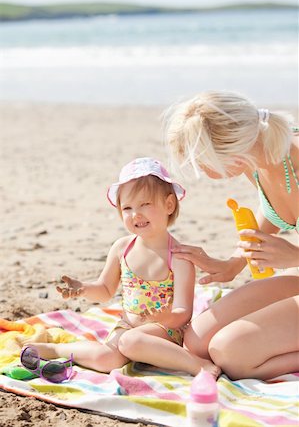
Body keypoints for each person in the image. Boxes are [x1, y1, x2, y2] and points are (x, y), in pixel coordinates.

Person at [29, 157, 220, 377]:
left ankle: (196, 364)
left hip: (164, 330)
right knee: (107, 359)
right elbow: (105, 290)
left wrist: (163, 317)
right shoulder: (122, 248)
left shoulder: (179, 257)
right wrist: (83, 288)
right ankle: (56, 349)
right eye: (127, 207)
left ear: (169, 204)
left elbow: (183, 313)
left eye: (145, 204)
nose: (135, 214)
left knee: (131, 342)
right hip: (127, 326)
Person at [164, 90, 299, 380]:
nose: (199, 170)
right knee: (197, 342)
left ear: (232, 153)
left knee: (231, 353)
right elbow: (278, 208)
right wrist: (234, 263)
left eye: (201, 162)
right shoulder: (256, 162)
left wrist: (294, 256)